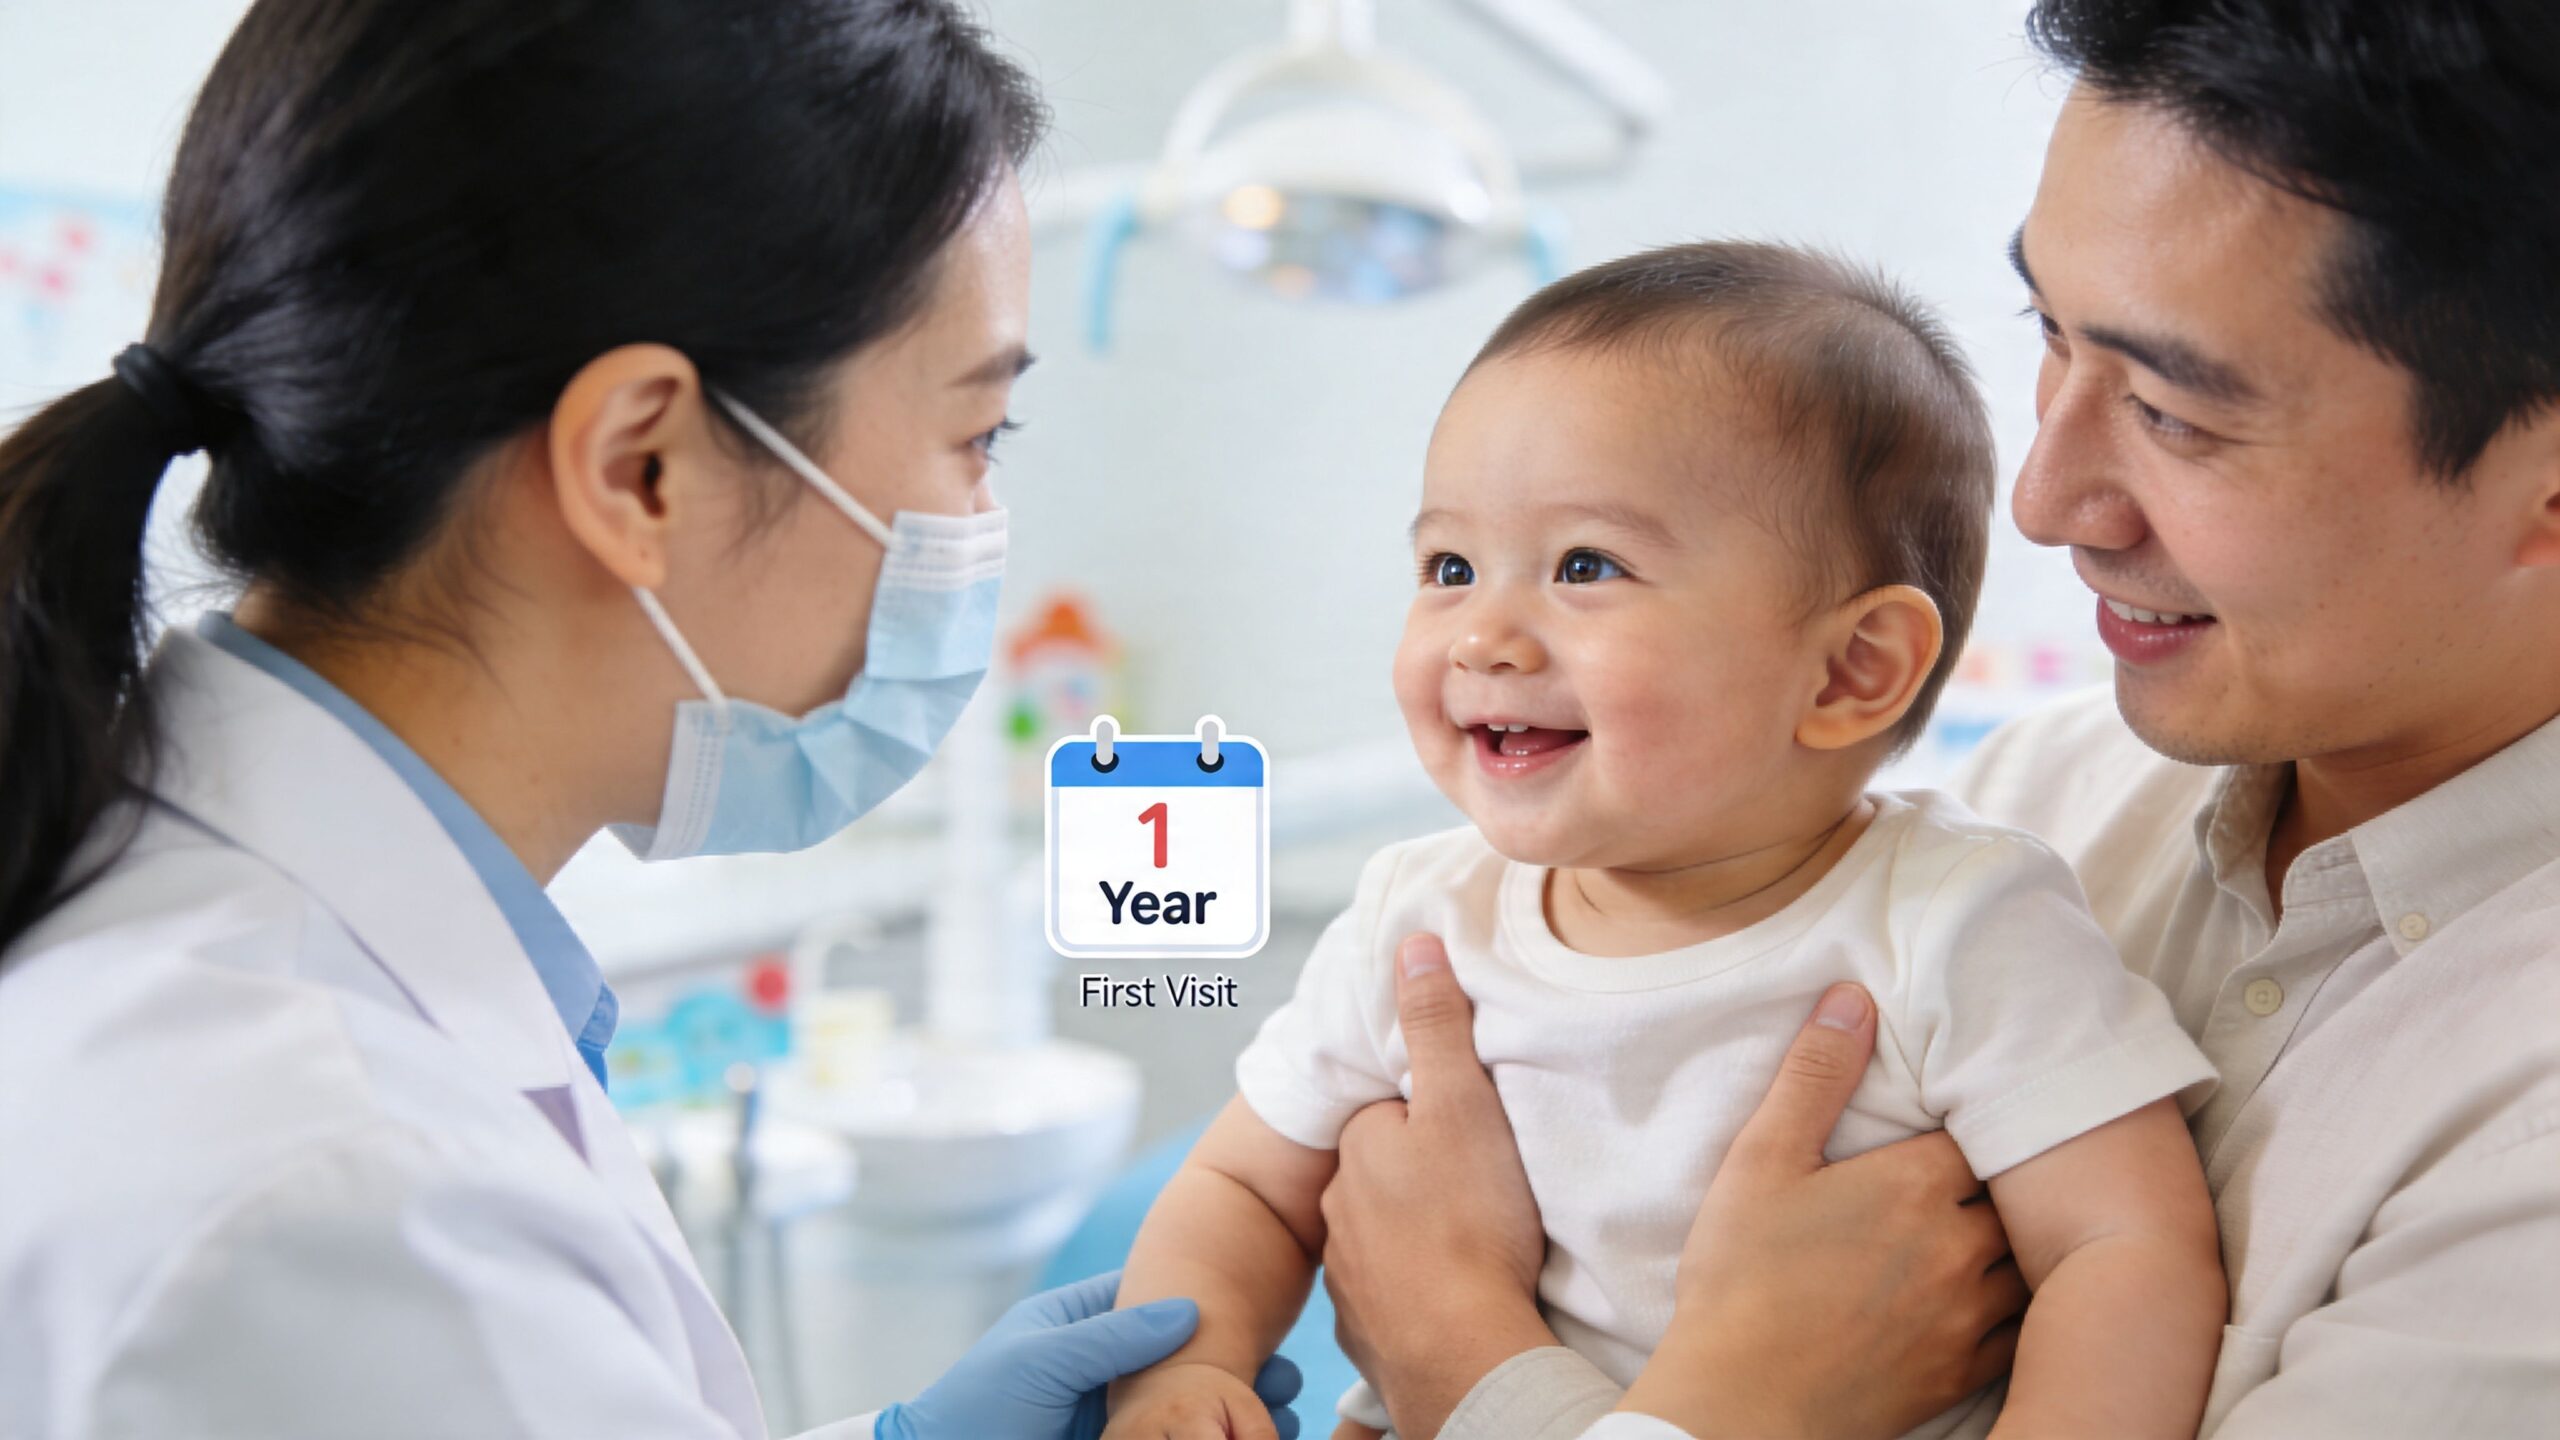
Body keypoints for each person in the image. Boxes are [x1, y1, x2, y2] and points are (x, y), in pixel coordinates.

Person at [0, 3, 1304, 1437]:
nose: (984, 519)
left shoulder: (229, 963)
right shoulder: (335, 1193)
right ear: (641, 470)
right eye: (974, 437)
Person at [1313, 2, 2560, 1437]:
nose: (2041, 504)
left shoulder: (2527, 1161)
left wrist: (1473, 1361)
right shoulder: (2048, 795)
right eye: (2049, 334)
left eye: (2173, 412)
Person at [1098, 243, 2224, 1440]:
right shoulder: (1418, 916)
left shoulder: (1959, 922)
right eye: (1449, 566)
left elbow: (2126, 1249)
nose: (1482, 634)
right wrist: (1183, 1364)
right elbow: (1240, 1189)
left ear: (1851, 669)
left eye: (1586, 566)